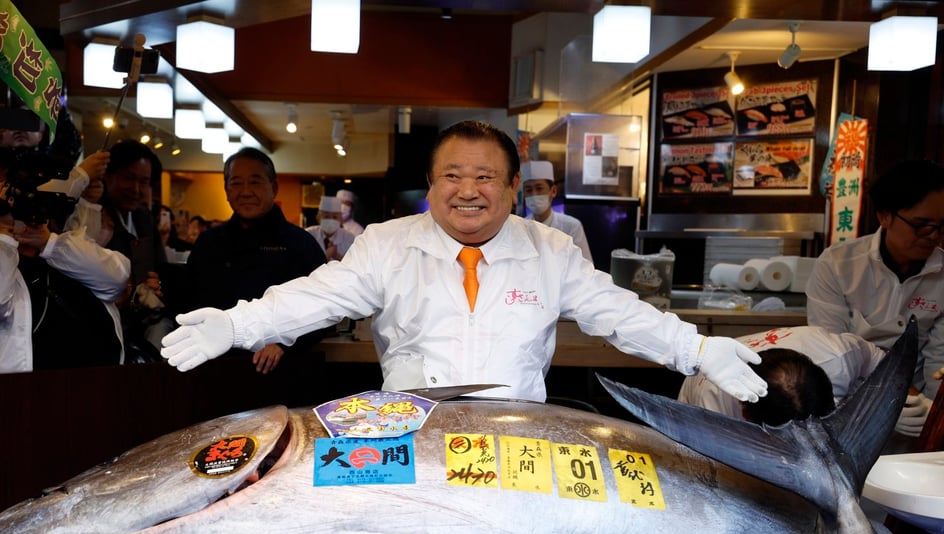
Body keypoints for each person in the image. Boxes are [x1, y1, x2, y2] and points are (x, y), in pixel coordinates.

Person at [161, 120, 767, 405]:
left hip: (518, 436)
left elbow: (619, 312)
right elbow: (318, 295)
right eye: (452, 175)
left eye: (484, 177)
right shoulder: (388, 242)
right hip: (408, 430)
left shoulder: (550, 249)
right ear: (431, 185)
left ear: (511, 190)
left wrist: (698, 350)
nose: (467, 189)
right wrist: (237, 325)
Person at [806, 159, 944, 439]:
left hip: (916, 409)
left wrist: (933, 413)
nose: (934, 236)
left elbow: (938, 358)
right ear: (885, 216)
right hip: (848, 406)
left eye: (942, 226)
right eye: (921, 225)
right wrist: (878, 403)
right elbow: (830, 351)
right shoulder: (838, 265)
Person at [183, 147, 329, 374]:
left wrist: (285, 342)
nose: (246, 191)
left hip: (281, 371)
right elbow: (190, 302)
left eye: (255, 182)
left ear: (274, 187)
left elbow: (324, 308)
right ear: (226, 190)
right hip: (214, 370)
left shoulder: (300, 243)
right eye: (236, 183)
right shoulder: (209, 242)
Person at [0, 180, 130, 373]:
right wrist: (1, 232)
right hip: (27, 393)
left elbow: (117, 277)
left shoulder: (68, 248)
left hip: (98, 390)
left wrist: (47, 243)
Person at [679, 325, 891, 424]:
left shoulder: (837, 355)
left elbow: (879, 361)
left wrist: (890, 401)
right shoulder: (712, 406)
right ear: (745, 412)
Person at [99, 140, 170, 360]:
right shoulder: (96, 219)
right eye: (128, 178)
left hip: (145, 323)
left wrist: (158, 286)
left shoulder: (144, 219)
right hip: (107, 326)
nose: (136, 189)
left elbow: (161, 268)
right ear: (108, 176)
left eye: (144, 181)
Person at [521, 160, 592, 262]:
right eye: (528, 190)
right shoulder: (522, 227)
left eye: (539, 188)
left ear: (553, 191)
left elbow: (586, 267)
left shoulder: (571, 227)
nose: (534, 194)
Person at [307, 195, 355, 261]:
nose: (331, 220)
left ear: (341, 219)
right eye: (326, 216)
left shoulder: (349, 238)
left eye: (335, 217)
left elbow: (353, 264)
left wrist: (336, 255)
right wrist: (327, 256)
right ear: (318, 218)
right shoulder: (309, 234)